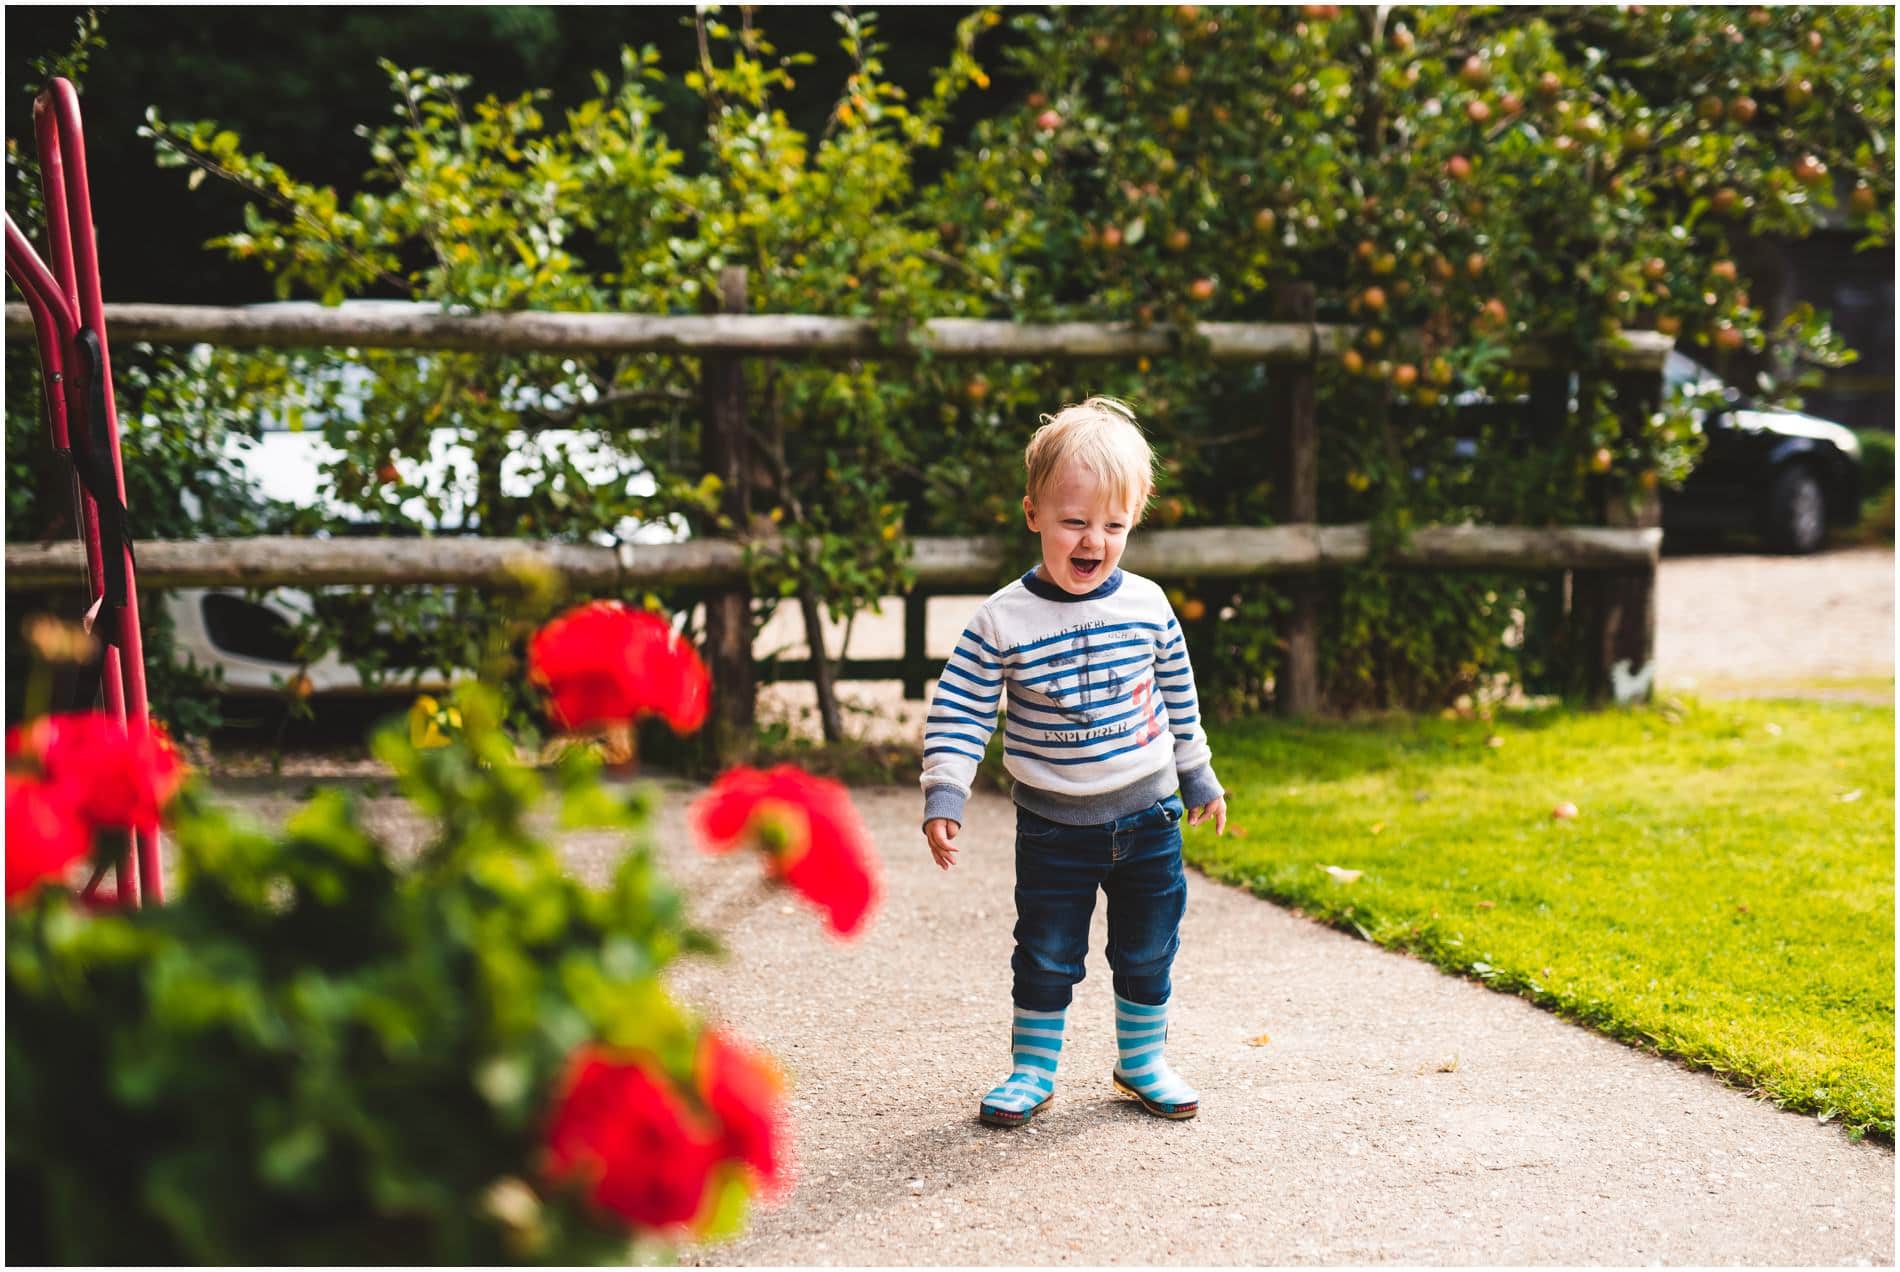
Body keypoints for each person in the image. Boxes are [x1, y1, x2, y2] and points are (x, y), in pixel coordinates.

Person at [920, 395, 1228, 1129]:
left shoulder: (1149, 607)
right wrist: (945, 794)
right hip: (1056, 828)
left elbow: (1179, 698)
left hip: (1149, 816)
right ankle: (1032, 1068)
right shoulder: (1002, 619)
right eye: (1074, 522)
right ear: (1033, 515)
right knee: (1048, 951)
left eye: (1113, 526)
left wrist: (1198, 775)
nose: (1094, 540)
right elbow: (962, 711)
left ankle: (1141, 1059)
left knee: (1148, 947)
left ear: (1134, 520)